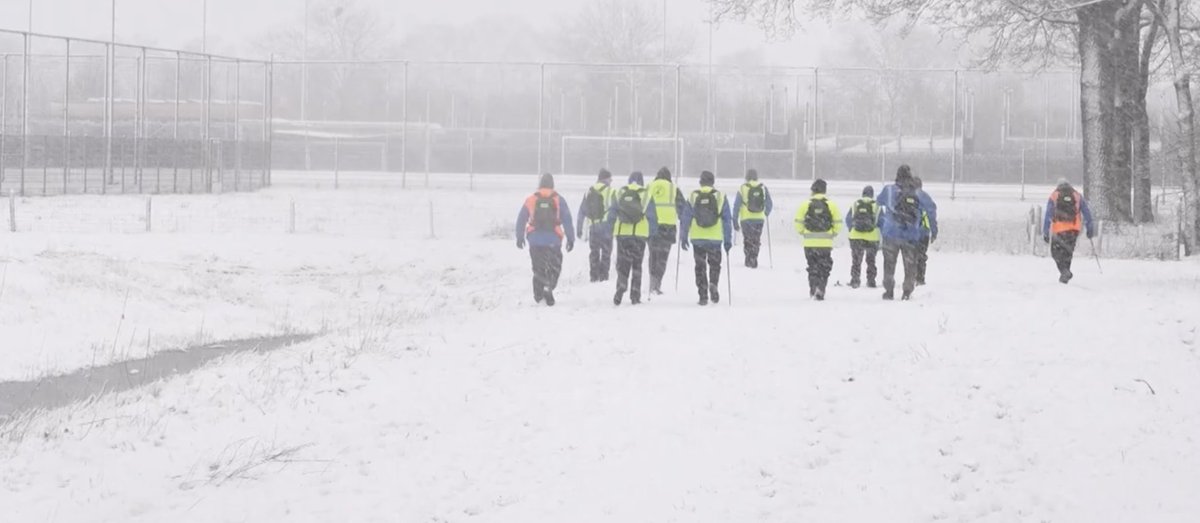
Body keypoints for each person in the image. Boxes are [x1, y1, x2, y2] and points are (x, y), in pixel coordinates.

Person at [876, 165, 938, 301]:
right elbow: (931, 209)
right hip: (910, 235)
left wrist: (882, 223)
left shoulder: (889, 190)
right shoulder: (918, 193)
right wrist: (934, 229)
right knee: (910, 264)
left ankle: (889, 290)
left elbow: (878, 201)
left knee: (889, 263)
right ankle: (907, 291)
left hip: (891, 233)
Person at [515, 173, 574, 306]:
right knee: (555, 267)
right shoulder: (559, 199)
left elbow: (521, 219)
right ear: (552, 184)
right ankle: (549, 286)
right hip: (553, 240)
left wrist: (519, 237)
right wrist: (571, 239)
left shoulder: (531, 199)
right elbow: (567, 220)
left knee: (538, 268)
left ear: (540, 184)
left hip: (535, 240)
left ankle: (538, 295)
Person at [679, 171, 733, 306]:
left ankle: (703, 294)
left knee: (700, 266)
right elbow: (727, 220)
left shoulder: (693, 196)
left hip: (698, 238)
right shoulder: (720, 196)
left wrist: (684, 236)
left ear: (700, 182)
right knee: (715, 265)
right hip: (715, 239)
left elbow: (685, 218)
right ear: (713, 182)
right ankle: (713, 283)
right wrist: (727, 240)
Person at [606, 171, 659, 305]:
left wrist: (610, 229)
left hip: (622, 234)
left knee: (622, 264)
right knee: (637, 265)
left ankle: (621, 285)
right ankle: (635, 295)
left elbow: (612, 212)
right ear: (641, 181)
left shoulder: (621, 192)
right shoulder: (645, 194)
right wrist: (653, 234)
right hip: (639, 236)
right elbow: (652, 216)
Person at [793, 179, 841, 301]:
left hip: (809, 243)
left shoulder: (805, 204)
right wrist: (832, 234)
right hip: (825, 243)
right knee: (824, 267)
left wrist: (804, 232)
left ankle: (813, 288)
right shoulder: (831, 205)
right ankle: (821, 287)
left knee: (812, 266)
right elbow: (838, 223)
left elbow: (798, 222)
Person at [1042, 180, 1096, 284]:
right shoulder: (1077, 196)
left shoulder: (1054, 195)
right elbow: (1087, 213)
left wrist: (1045, 231)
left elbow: (1048, 214)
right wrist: (1090, 228)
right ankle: (1065, 275)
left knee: (1056, 253)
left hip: (1059, 230)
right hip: (1073, 230)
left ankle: (1064, 271)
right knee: (1068, 253)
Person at [646, 167, 689, 294]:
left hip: (652, 227)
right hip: (668, 228)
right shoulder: (673, 188)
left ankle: (652, 283)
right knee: (663, 257)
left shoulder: (650, 186)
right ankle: (657, 283)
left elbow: (643, 205)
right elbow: (683, 209)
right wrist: (683, 223)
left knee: (653, 256)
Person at [577, 168, 616, 282]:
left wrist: (579, 228)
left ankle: (594, 276)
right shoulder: (611, 192)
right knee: (606, 252)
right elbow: (616, 211)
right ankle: (604, 277)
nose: (611, 181)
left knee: (594, 252)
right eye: (610, 179)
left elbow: (582, 211)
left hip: (593, 226)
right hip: (606, 227)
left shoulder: (589, 191)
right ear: (606, 179)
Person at [731, 169, 774, 268]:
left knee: (748, 239)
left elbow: (736, 205)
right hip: (759, 219)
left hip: (746, 219)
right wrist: (765, 213)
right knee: (756, 239)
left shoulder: (743, 188)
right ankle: (754, 258)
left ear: (747, 177)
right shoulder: (763, 188)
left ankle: (748, 259)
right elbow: (769, 203)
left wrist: (735, 220)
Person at [845, 185, 880, 289]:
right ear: (872, 194)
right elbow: (881, 221)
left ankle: (855, 280)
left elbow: (848, 219)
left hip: (856, 236)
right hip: (872, 237)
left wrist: (852, 228)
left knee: (856, 260)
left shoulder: (856, 203)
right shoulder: (876, 205)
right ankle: (871, 281)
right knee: (871, 260)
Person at [913, 177, 938, 285]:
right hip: (923, 232)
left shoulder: (907, 197)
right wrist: (934, 231)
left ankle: (911, 277)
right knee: (921, 256)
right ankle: (920, 278)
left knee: (911, 256)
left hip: (910, 232)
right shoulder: (926, 198)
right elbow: (931, 215)